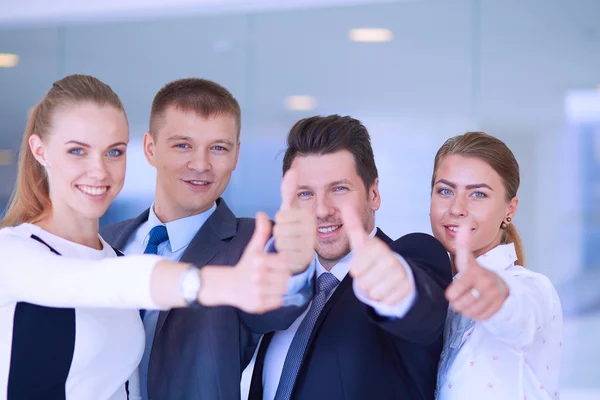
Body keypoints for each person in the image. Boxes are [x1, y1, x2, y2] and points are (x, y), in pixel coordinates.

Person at [0, 74, 297, 400]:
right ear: (40, 151)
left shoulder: (113, 255)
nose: (98, 170)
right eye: (77, 151)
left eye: (113, 152)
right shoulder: (12, 252)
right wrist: (213, 284)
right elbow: (100, 282)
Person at [101, 78, 316, 400]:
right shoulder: (100, 241)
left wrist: (296, 268)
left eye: (218, 148)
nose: (201, 165)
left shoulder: (254, 243)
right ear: (149, 148)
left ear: (235, 155)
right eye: (182, 145)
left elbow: (278, 309)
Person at [248, 115, 453, 400]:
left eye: (339, 189)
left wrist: (398, 290)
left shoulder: (412, 255)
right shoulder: (290, 289)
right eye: (305, 194)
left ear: (373, 194)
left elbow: (424, 313)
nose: (322, 210)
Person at [430, 132, 563, 399]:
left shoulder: (532, 286)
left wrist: (499, 294)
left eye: (478, 194)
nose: (457, 208)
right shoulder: (439, 294)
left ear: (509, 210)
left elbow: (522, 310)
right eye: (445, 190)